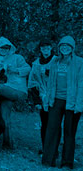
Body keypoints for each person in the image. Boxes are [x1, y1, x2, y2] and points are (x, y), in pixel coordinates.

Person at [42, 36, 83, 169]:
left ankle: (67, 162)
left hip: (72, 101)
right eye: (62, 45)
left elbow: (82, 84)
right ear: (59, 47)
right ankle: (49, 159)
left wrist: (79, 104)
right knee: (52, 129)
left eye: (68, 46)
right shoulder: (55, 61)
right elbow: (50, 83)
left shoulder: (79, 62)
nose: (65, 48)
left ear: (72, 48)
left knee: (69, 132)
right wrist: (47, 100)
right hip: (56, 100)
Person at [28, 39, 57, 155]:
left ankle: (54, 149)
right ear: (40, 49)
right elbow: (32, 83)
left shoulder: (57, 60)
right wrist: (37, 101)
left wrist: (49, 73)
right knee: (44, 123)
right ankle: (45, 148)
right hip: (42, 97)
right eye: (43, 47)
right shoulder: (36, 64)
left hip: (56, 96)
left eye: (47, 47)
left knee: (54, 123)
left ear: (51, 48)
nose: (45, 49)